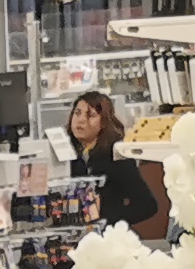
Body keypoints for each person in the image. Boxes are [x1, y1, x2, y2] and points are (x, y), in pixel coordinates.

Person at [68, 91, 161, 229]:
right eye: (77, 113)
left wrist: (107, 221)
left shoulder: (116, 157)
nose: (81, 120)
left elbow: (147, 205)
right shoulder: (68, 156)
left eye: (91, 115)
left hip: (110, 236)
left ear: (104, 122)